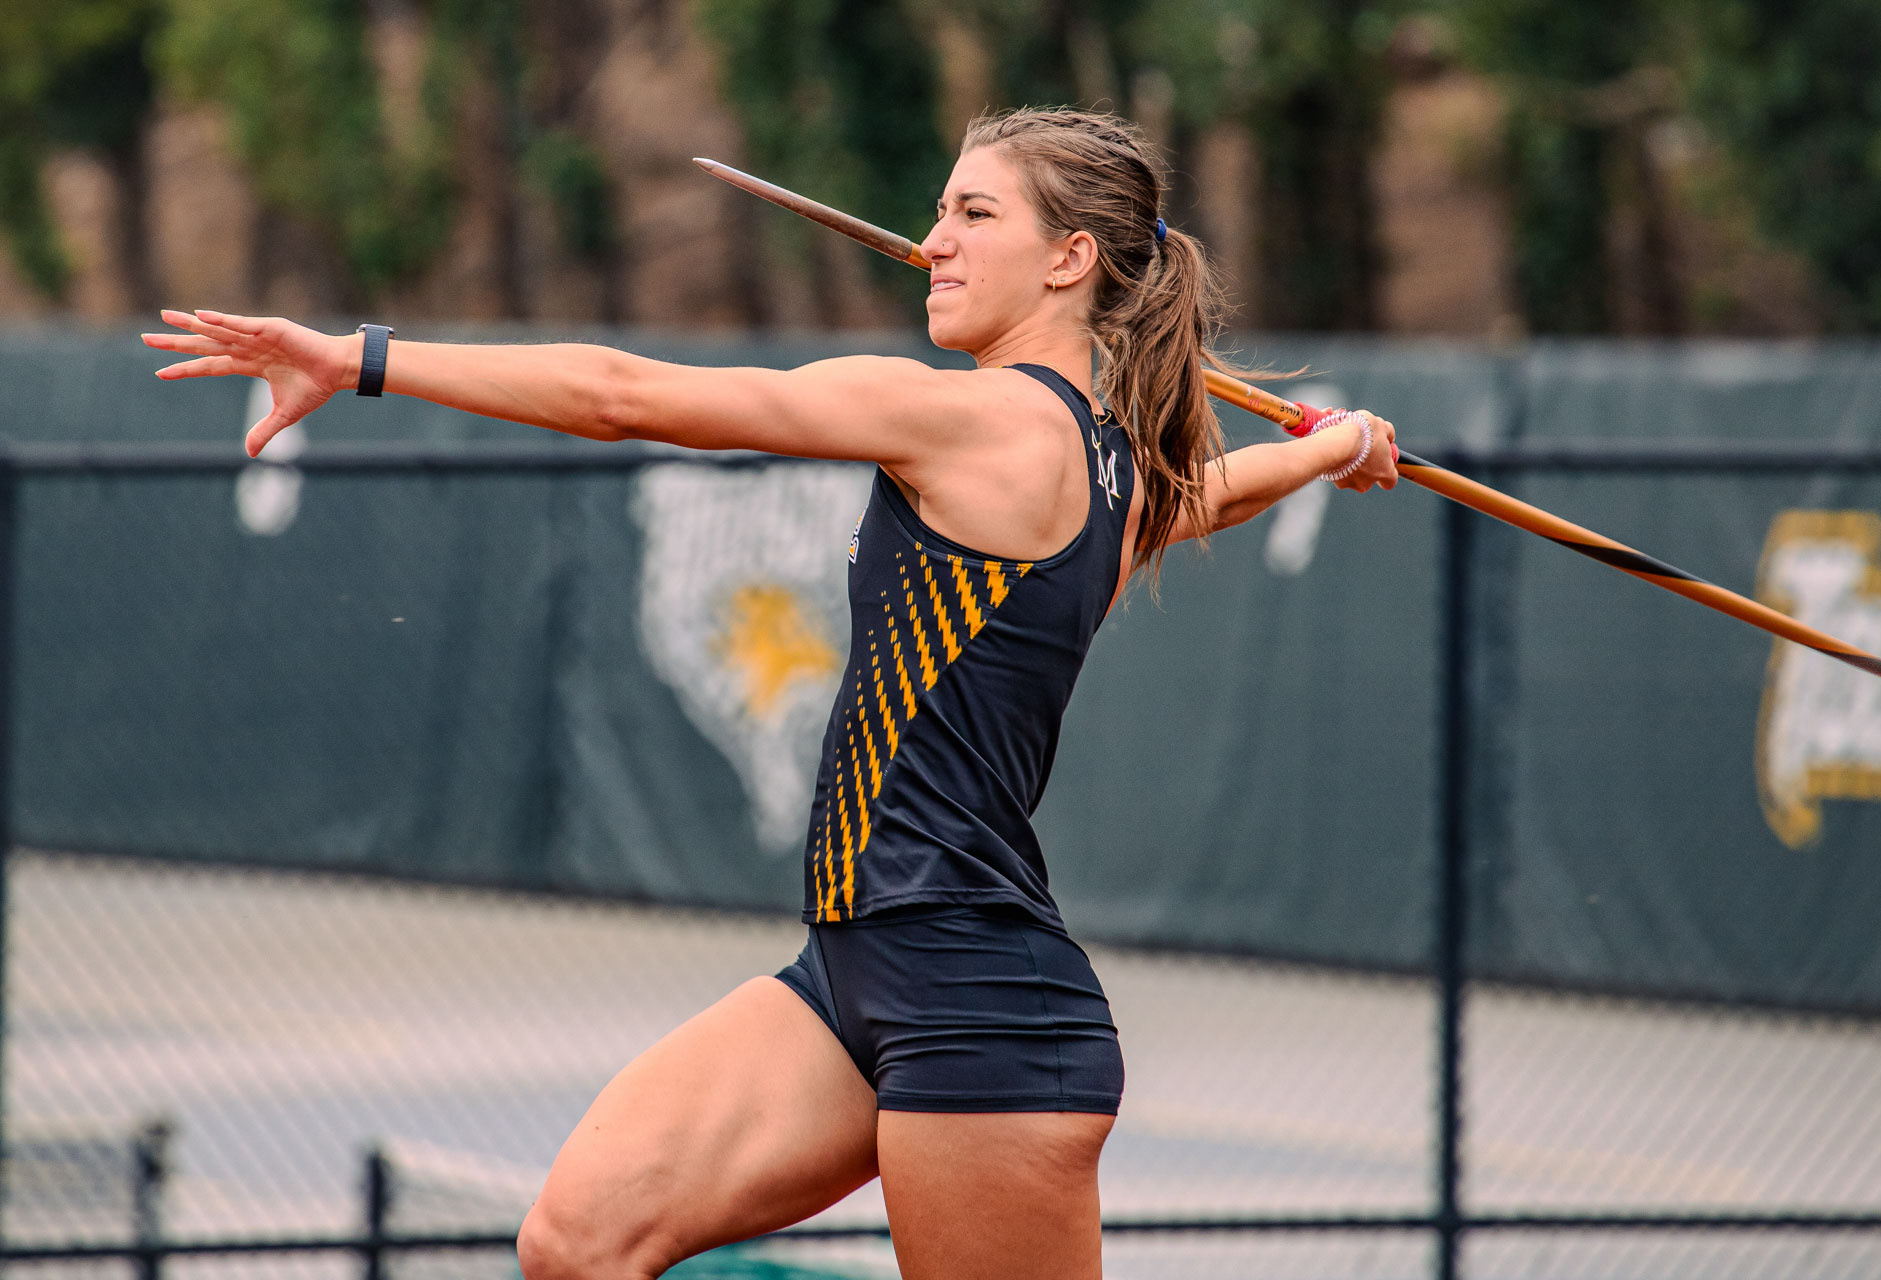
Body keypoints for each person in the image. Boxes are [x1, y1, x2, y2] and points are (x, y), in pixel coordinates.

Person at [144, 107, 1396, 1280]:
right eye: (939, 212)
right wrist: (1328, 448)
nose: (934, 241)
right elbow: (1194, 501)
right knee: (577, 1242)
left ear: (1071, 260)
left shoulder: (975, 423)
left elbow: (624, 398)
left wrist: (358, 357)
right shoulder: (1110, 468)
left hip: (977, 998)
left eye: (974, 215)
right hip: (850, 974)